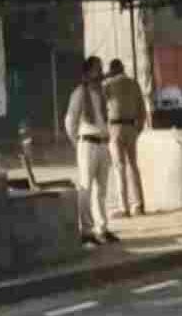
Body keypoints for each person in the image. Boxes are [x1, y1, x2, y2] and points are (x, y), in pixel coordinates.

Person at [64, 56, 118, 245]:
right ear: (87, 74)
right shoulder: (80, 93)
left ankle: (102, 229)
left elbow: (104, 119)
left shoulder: (101, 93)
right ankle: (86, 231)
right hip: (87, 143)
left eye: (101, 69)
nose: (100, 73)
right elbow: (69, 121)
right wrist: (77, 143)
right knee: (85, 188)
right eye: (97, 69)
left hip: (102, 144)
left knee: (101, 190)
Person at [104, 59, 149, 218]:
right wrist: (137, 130)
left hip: (114, 128)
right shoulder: (134, 84)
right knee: (132, 166)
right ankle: (138, 205)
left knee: (119, 167)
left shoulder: (107, 85)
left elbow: (102, 108)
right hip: (131, 127)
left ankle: (124, 208)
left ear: (112, 70)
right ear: (122, 68)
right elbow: (142, 110)